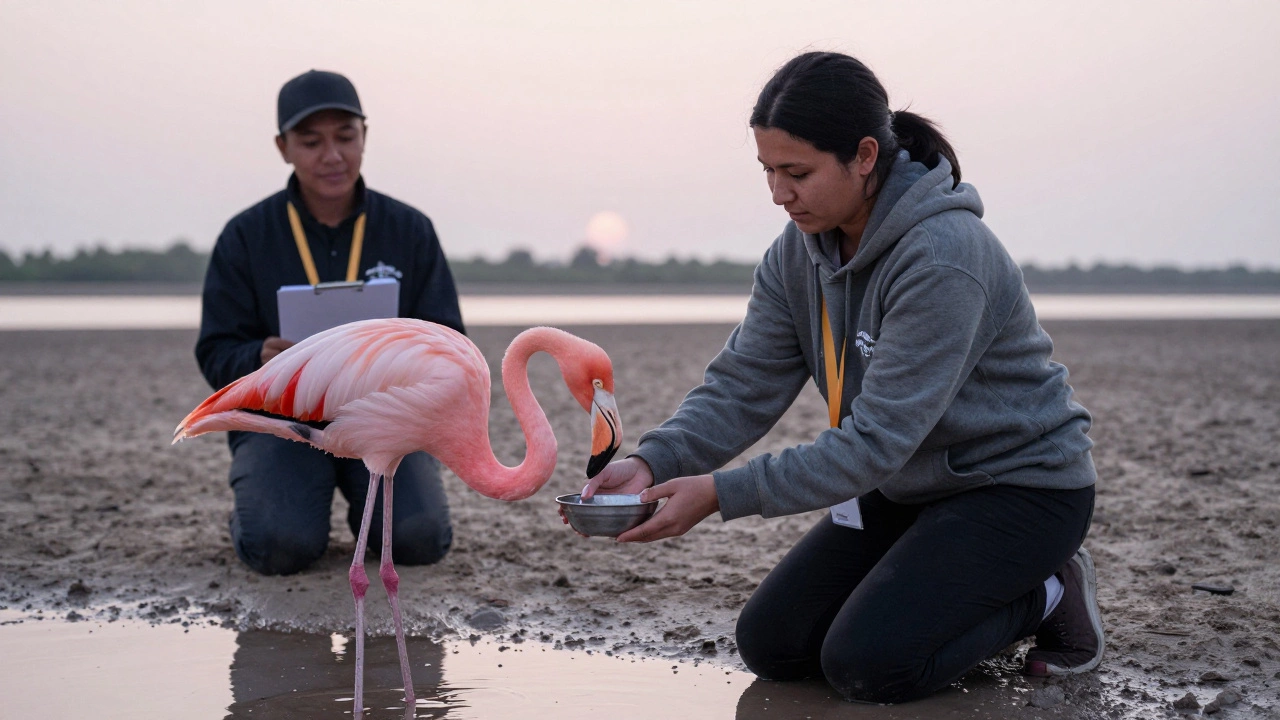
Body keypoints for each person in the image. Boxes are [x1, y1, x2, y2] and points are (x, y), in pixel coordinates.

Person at [582, 51, 1103, 704]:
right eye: (768, 170)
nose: (778, 193)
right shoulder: (796, 252)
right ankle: (943, 581)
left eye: (796, 172)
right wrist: (653, 463)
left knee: (870, 664)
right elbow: (744, 384)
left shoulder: (943, 258)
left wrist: (721, 492)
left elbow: (875, 441)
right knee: (774, 646)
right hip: (901, 485)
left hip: (1016, 489)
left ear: (863, 156)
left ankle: (1048, 593)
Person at [196, 70, 463, 576]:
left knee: (419, 540)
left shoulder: (409, 230)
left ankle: (369, 511)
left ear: (365, 136)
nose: (332, 155)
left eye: (345, 136)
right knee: (278, 547)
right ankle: (269, 504)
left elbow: (451, 340)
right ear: (283, 147)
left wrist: (401, 362)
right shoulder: (246, 236)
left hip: (386, 423)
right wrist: (258, 360)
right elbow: (214, 350)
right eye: (311, 141)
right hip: (283, 425)